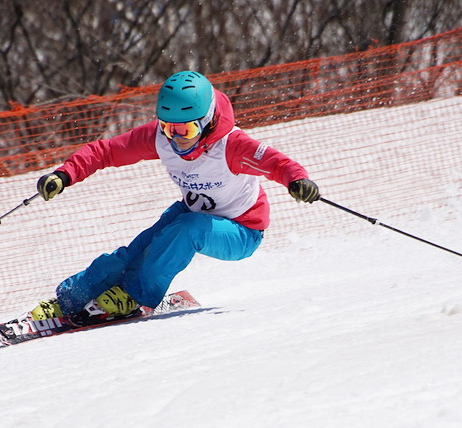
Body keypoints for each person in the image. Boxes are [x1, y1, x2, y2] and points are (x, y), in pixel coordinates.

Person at [31, 70, 319, 320]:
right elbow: (106, 151)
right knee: (135, 252)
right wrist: (64, 174)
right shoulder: (160, 138)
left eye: (186, 128)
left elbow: (278, 164)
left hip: (242, 230)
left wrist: (298, 181)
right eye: (169, 127)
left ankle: (134, 297)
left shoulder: (231, 146)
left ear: (206, 120)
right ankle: (71, 299)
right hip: (192, 213)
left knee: (186, 229)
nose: (176, 137)